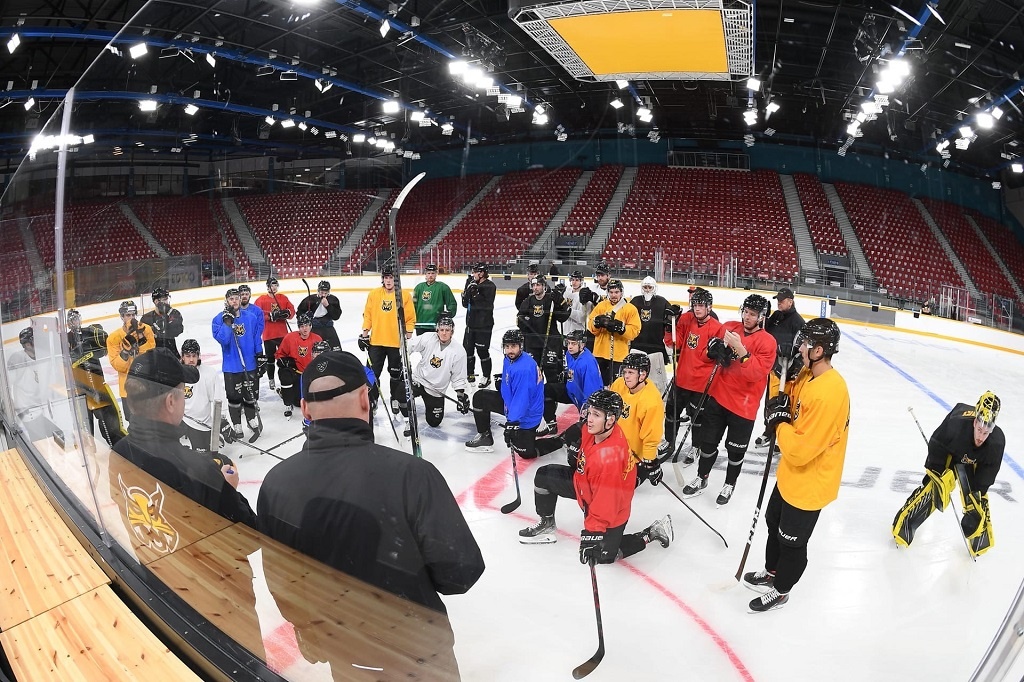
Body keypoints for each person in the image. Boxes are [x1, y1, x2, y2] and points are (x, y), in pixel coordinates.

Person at [257, 350, 485, 615]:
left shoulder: (275, 482)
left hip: (331, 640)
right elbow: (459, 573)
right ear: (365, 399)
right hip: (412, 645)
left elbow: (280, 578)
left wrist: (309, 630)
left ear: (305, 409)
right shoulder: (414, 475)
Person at [743, 318, 849, 613]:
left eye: (805, 344)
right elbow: (787, 395)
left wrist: (779, 424)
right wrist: (781, 373)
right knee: (773, 522)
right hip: (791, 475)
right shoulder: (809, 375)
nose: (800, 348)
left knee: (791, 540)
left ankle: (782, 590)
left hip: (810, 482)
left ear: (818, 351)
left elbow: (801, 450)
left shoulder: (830, 392)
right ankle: (772, 572)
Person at [518, 389, 673, 561]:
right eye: (590, 412)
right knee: (543, 476)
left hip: (612, 512)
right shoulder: (598, 430)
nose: (589, 419)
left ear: (610, 420)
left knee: (603, 557)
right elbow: (578, 431)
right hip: (584, 486)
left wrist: (592, 534)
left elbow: (605, 507)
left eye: (596, 415)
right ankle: (547, 523)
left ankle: (651, 533)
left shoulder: (609, 460)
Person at [114, 347, 257, 527]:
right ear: (171, 402)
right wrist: (225, 488)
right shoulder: (199, 473)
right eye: (183, 393)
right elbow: (250, 533)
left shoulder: (117, 453)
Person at [681, 294, 776, 506]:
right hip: (718, 397)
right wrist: (712, 351)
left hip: (744, 407)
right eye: (745, 312)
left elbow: (755, 373)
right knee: (707, 443)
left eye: (752, 314)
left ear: (761, 317)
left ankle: (729, 483)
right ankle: (702, 477)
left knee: (735, 451)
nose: (747, 317)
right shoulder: (730, 326)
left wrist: (740, 350)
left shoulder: (768, 342)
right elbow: (705, 355)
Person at [892, 391, 1004, 557]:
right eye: (979, 429)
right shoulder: (955, 425)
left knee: (977, 502)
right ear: (974, 422)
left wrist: (976, 497)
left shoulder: (997, 442)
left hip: (974, 462)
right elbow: (936, 444)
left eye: (986, 432)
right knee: (936, 489)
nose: (981, 437)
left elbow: (986, 476)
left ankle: (980, 542)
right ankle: (903, 528)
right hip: (950, 453)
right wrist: (938, 473)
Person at [661, 287, 723, 461]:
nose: (697, 308)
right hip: (682, 378)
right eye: (695, 304)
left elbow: (718, 356)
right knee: (671, 412)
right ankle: (669, 441)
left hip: (701, 383)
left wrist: (717, 352)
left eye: (701, 305)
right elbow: (675, 343)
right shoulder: (687, 319)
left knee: (698, 419)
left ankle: (696, 446)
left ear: (709, 307)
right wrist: (669, 325)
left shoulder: (717, 328)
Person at [465, 329, 544, 457]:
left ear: (521, 346)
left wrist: (512, 423)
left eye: (513, 346)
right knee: (480, 397)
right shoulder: (509, 359)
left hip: (527, 415)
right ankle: (485, 437)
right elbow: (509, 387)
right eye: (507, 346)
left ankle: (558, 441)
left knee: (524, 452)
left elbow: (522, 399)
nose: (510, 350)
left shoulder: (524, 369)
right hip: (512, 406)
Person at [360, 264, 416, 414]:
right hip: (376, 341)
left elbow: (410, 318)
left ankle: (395, 398)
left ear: (396, 279)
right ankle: (372, 400)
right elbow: (368, 315)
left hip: (395, 343)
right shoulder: (374, 294)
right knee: (371, 373)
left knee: (396, 374)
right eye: (386, 277)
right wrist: (365, 335)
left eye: (391, 277)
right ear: (382, 279)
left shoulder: (404, 295)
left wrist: (408, 332)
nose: (389, 280)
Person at [754, 287, 806, 449]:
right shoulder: (776, 316)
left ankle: (783, 435)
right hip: (771, 366)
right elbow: (763, 332)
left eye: (782, 300)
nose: (779, 303)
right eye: (778, 300)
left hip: (787, 371)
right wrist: (763, 318)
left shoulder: (798, 322)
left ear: (790, 301)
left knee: (783, 404)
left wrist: (794, 369)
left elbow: (802, 349)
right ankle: (768, 431)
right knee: (770, 401)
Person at [212, 288, 264, 443]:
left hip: (249, 364)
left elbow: (256, 338)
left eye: (237, 298)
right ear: (226, 301)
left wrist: (259, 356)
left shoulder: (251, 317)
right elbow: (224, 340)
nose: (235, 301)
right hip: (232, 366)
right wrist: (228, 324)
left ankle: (251, 418)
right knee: (234, 397)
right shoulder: (218, 319)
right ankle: (237, 424)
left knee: (250, 395)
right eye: (231, 299)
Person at [67, 309, 125, 446]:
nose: (75, 322)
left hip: (97, 383)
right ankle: (88, 454)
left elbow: (104, 349)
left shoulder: (89, 332)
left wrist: (98, 336)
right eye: (72, 320)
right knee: (85, 428)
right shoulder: (65, 339)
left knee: (109, 421)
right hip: (79, 389)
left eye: (77, 319)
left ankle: (117, 445)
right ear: (69, 323)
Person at [609, 352, 666, 487]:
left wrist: (650, 461)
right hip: (613, 446)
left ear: (643, 374)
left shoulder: (651, 401)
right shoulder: (618, 384)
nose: (626, 376)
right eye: (625, 371)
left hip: (633, 456)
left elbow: (651, 436)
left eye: (631, 372)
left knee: (618, 487)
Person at [536, 328, 603, 438]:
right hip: (571, 392)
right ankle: (551, 425)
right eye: (568, 343)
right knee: (546, 390)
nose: (570, 346)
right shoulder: (569, 353)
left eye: (573, 343)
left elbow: (592, 391)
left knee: (581, 435)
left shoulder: (588, 364)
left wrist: (587, 409)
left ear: (582, 345)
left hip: (585, 399)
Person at [405, 315, 470, 429]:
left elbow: (458, 377)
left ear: (452, 332)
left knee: (434, 422)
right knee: (401, 394)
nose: (444, 333)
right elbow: (408, 346)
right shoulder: (428, 338)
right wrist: (405, 362)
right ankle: (406, 416)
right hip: (418, 380)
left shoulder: (459, 352)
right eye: (441, 330)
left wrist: (461, 395)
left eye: (447, 330)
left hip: (436, 390)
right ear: (437, 330)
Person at [179, 339, 235, 451]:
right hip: (180, 420)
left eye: (194, 356)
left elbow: (218, 398)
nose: (191, 359)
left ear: (199, 356)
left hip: (200, 423)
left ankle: (212, 439)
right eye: (188, 356)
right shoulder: (176, 373)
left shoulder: (209, 373)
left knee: (203, 456)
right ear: (182, 356)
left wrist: (222, 421)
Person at [107, 300, 156, 423]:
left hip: (147, 383)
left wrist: (141, 339)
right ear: (122, 317)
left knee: (151, 420)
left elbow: (151, 358)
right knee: (133, 421)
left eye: (133, 315)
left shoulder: (147, 330)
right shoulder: (113, 337)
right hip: (127, 388)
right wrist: (125, 352)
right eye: (128, 315)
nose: (131, 318)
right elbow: (118, 366)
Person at [516, 274, 570, 383]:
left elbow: (563, 317)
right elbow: (519, 319)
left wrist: (561, 303)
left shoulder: (551, 300)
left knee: (552, 374)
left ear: (544, 286)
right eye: (533, 285)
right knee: (534, 374)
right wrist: (525, 322)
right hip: (533, 344)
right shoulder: (528, 301)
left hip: (550, 342)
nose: (535, 287)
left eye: (538, 285)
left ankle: (551, 397)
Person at [587, 278, 641, 384]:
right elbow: (591, 327)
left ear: (621, 292)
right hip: (599, 353)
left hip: (618, 355)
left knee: (616, 385)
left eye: (616, 292)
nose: (613, 295)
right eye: (611, 292)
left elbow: (635, 331)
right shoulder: (601, 306)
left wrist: (622, 329)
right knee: (597, 384)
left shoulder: (630, 309)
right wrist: (596, 323)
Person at [275, 312, 323, 420]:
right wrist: (283, 361)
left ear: (311, 326)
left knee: (306, 400)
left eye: (307, 325)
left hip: (311, 374)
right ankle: (287, 401)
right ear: (298, 327)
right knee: (284, 374)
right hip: (296, 373)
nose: (304, 329)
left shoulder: (317, 339)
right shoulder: (290, 338)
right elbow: (279, 354)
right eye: (302, 326)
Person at [629, 276, 672, 394]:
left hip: (656, 346)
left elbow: (671, 320)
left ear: (654, 288)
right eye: (645, 287)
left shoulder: (662, 302)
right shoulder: (635, 301)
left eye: (650, 287)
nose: (647, 289)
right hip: (636, 345)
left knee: (657, 381)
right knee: (635, 376)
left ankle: (659, 401)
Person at [255, 276, 295, 393]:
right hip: (269, 335)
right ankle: (271, 378)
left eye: (275, 285)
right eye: (272, 285)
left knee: (285, 358)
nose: (274, 287)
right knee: (270, 359)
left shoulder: (283, 298)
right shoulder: (261, 300)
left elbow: (292, 310)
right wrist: (270, 316)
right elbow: (256, 314)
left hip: (283, 334)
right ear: (267, 287)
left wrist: (287, 313)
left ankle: (287, 378)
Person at [461, 263, 496, 387]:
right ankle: (469, 373)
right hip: (470, 324)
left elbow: (486, 306)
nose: (473, 274)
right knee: (468, 350)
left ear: (482, 273)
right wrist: (466, 292)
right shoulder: (471, 283)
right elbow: (465, 304)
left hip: (484, 325)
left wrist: (475, 293)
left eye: (475, 272)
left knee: (482, 351)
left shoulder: (490, 286)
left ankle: (486, 376)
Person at [7, 327, 48, 421]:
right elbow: (8, 385)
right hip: (26, 412)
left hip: (39, 409)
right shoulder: (18, 358)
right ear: (28, 344)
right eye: (36, 340)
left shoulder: (41, 357)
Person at [413, 263, 458, 336]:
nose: (430, 275)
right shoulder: (418, 287)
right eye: (429, 273)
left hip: (435, 324)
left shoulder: (443, 287)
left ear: (436, 274)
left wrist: (450, 313)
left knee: (434, 346)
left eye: (433, 273)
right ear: (425, 274)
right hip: (420, 324)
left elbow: (452, 302)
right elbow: (413, 305)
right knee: (421, 346)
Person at [297, 279, 342, 351]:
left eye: (326, 293)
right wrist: (306, 317)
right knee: (313, 351)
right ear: (318, 290)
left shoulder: (333, 300)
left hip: (329, 329)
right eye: (322, 292)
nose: (323, 295)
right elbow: (299, 313)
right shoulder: (310, 299)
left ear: (329, 291)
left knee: (336, 351)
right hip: (314, 329)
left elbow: (336, 316)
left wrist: (328, 306)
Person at [140, 287, 184, 357]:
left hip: (172, 354)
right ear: (156, 301)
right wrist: (154, 331)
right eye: (164, 299)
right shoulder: (146, 318)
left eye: (167, 299)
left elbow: (179, 330)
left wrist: (166, 324)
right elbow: (142, 340)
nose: (166, 302)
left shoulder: (173, 314)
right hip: (154, 356)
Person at [562, 270, 591, 337]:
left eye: (577, 280)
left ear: (581, 281)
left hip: (577, 332)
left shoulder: (584, 295)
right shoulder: (567, 292)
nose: (574, 282)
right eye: (572, 279)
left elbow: (582, 317)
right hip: (565, 330)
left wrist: (568, 310)